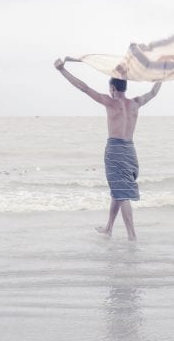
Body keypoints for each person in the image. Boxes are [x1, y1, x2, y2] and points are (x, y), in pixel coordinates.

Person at [54, 58, 161, 240]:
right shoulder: (136, 103)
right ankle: (109, 228)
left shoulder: (109, 102)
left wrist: (62, 70)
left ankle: (132, 235)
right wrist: (162, 76)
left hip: (116, 150)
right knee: (118, 190)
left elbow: (83, 87)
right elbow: (153, 92)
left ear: (112, 89)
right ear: (125, 88)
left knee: (122, 192)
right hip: (130, 151)